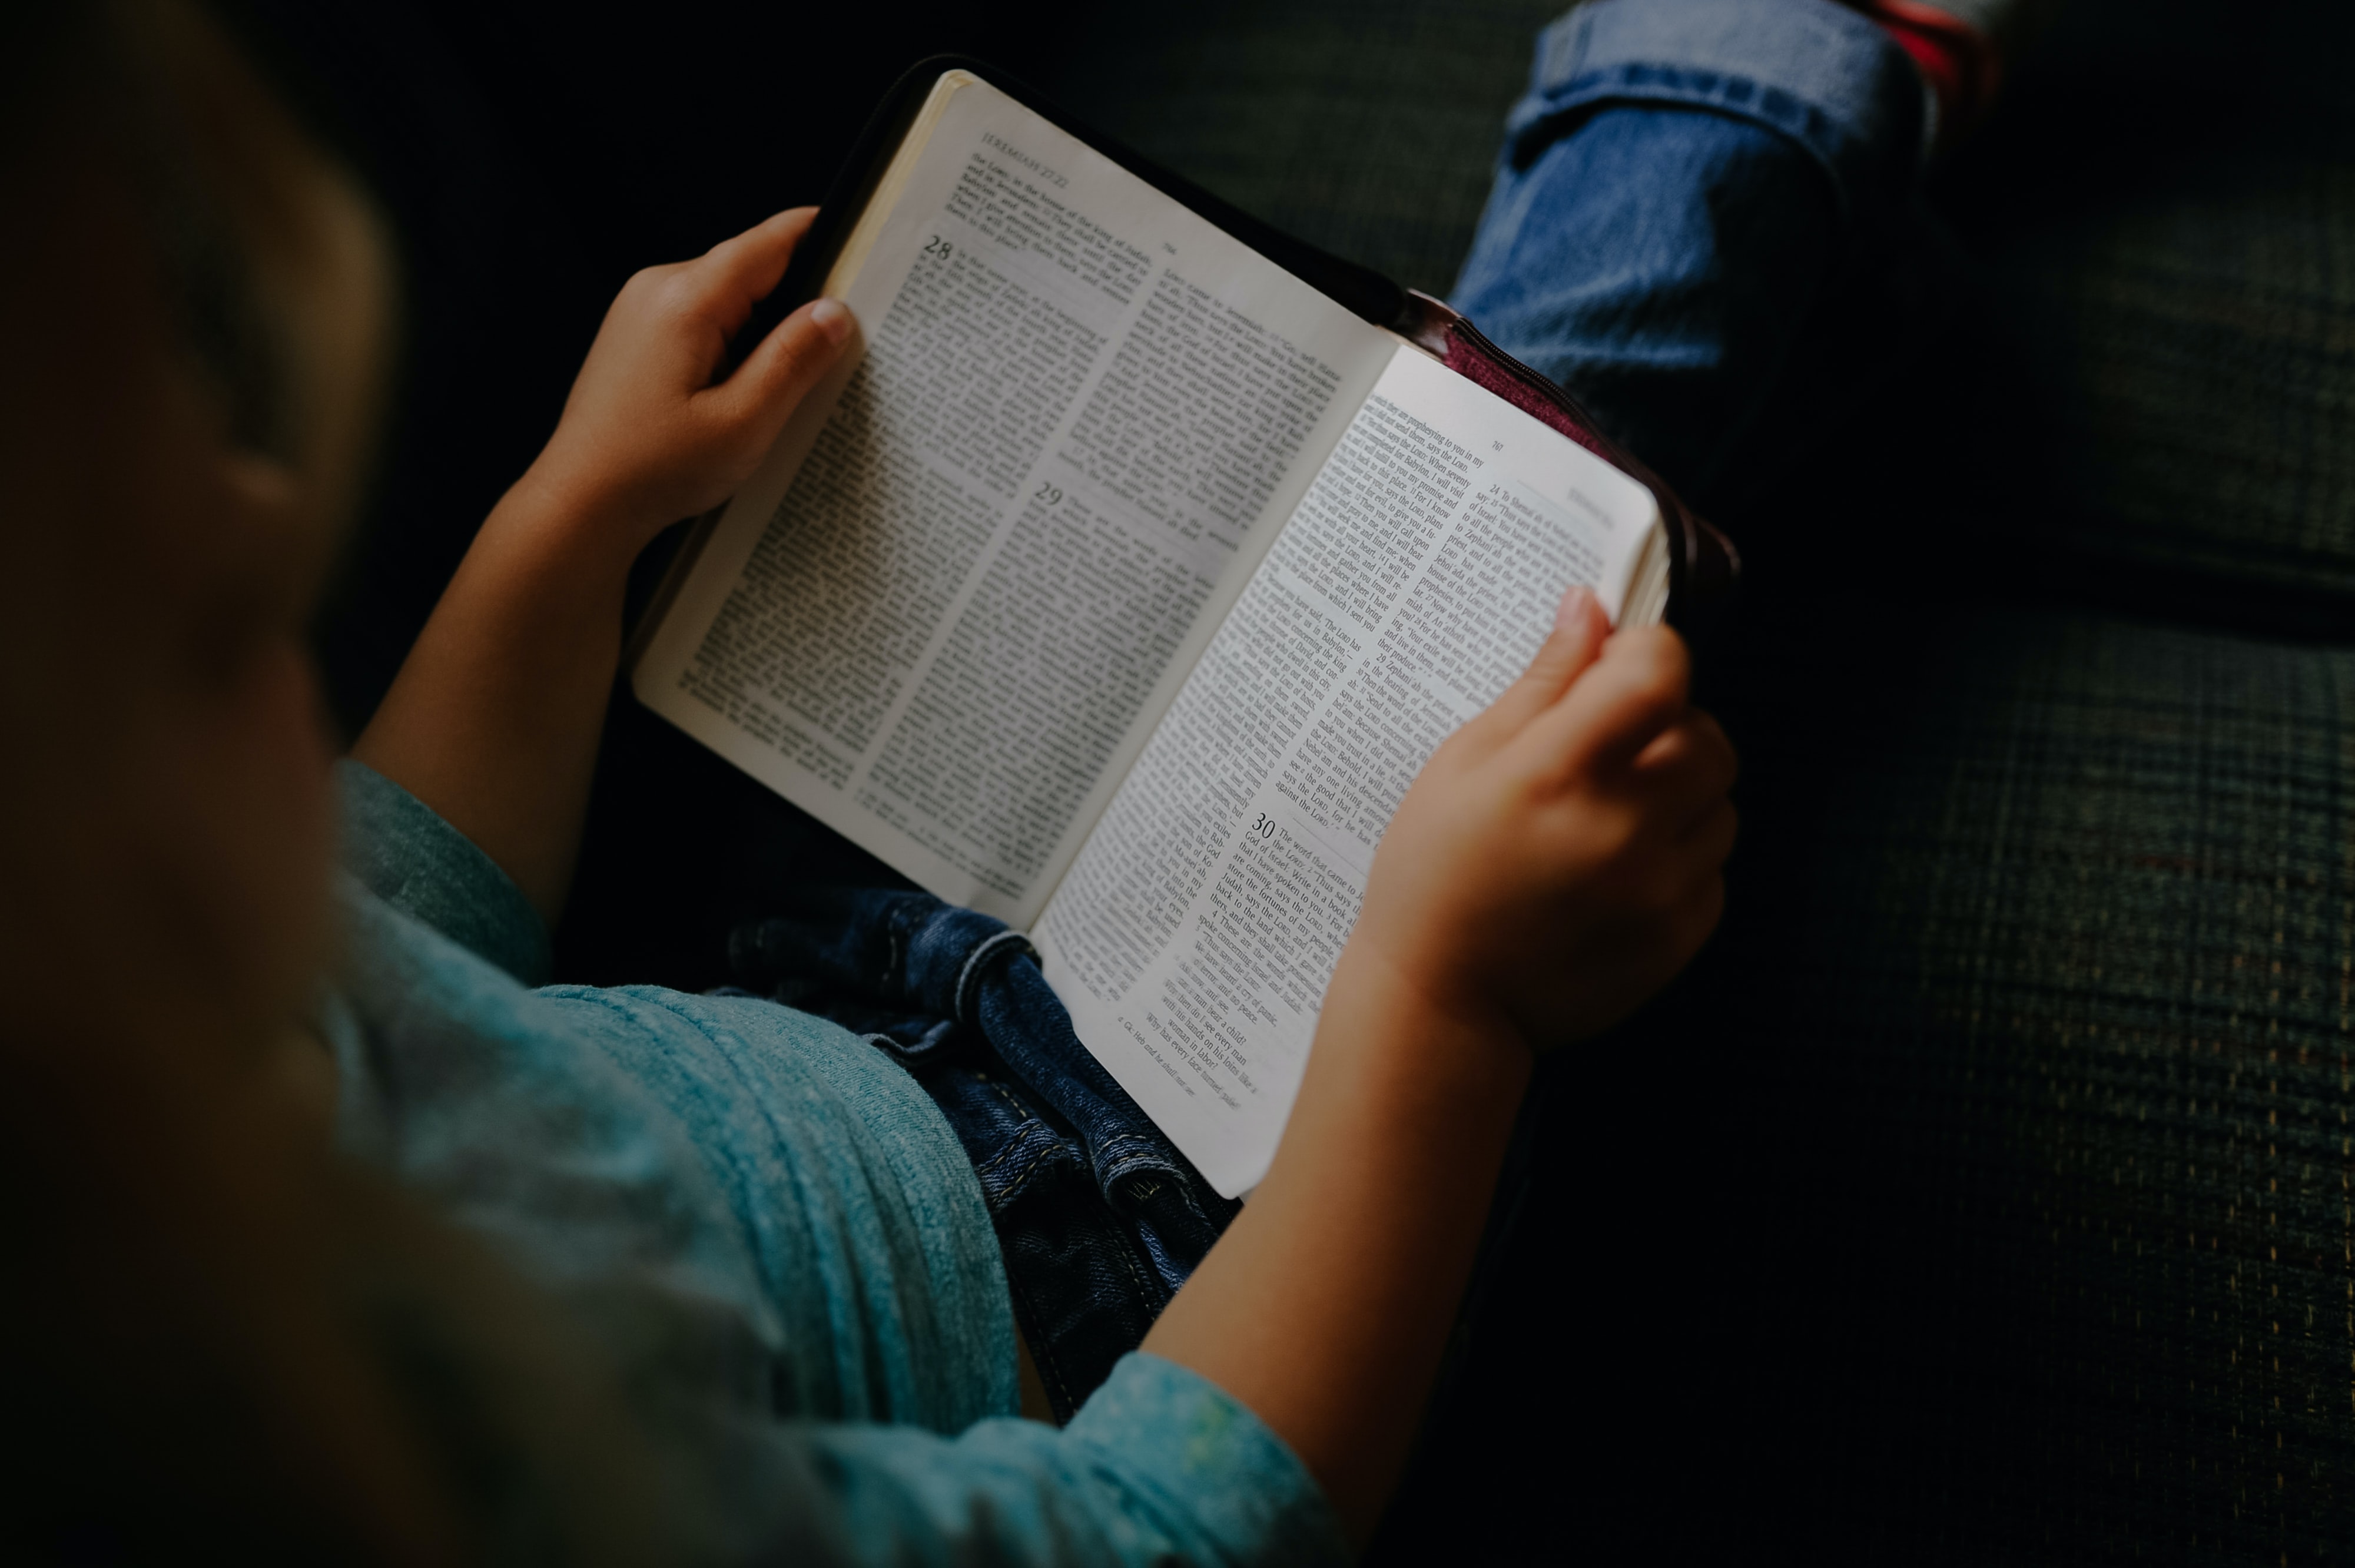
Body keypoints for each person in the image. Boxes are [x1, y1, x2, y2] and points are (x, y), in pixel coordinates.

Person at [0, 0, 2014, 1557]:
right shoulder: (446, 1483)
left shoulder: (164, 1023)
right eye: (226, 621)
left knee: (1414, 493)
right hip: (1135, 1255)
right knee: (1548, 487)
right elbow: (1160, 1526)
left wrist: (568, 530)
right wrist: (1444, 1002)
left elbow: (411, 898)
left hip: (799, 984)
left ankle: (1850, 260)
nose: (293, 585)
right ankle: (1771, 64)